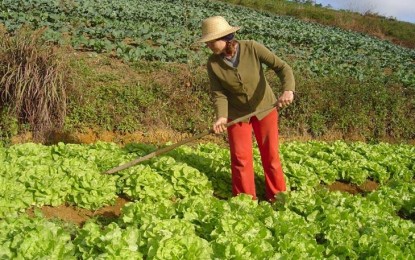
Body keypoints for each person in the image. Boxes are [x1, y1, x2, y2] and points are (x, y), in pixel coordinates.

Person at [198, 16, 295, 202]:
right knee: (240, 158)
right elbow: (219, 93)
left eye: (211, 42)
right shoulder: (213, 63)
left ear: (224, 38)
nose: (209, 46)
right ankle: (245, 201)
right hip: (237, 114)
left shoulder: (252, 48)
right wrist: (221, 117)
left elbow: (282, 68)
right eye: (207, 43)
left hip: (265, 108)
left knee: (271, 155)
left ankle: (278, 197)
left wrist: (288, 90)